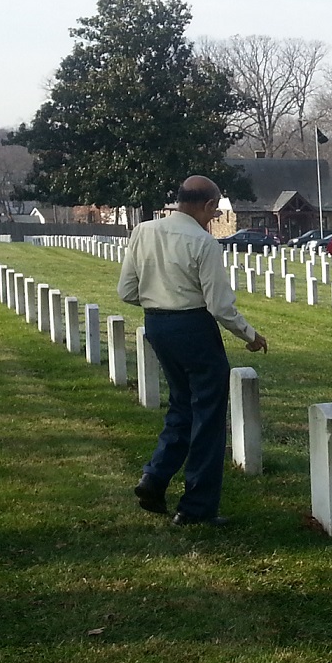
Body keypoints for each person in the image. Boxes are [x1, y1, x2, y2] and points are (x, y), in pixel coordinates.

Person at [117, 175, 267, 526]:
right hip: (194, 328)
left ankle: (154, 477)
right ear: (209, 205)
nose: (212, 219)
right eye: (214, 213)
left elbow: (126, 290)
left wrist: (160, 300)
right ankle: (197, 507)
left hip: (157, 324)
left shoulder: (143, 231)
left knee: (182, 405)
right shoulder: (203, 242)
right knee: (209, 416)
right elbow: (219, 306)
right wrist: (249, 335)